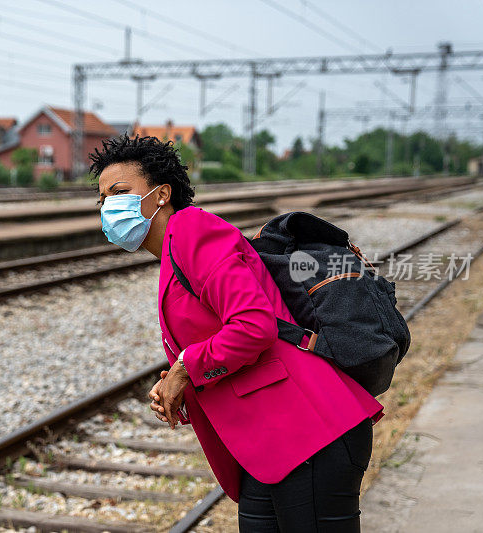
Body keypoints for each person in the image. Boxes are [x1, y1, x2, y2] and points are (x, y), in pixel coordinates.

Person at [89, 133, 385, 532]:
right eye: (102, 198)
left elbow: (253, 325)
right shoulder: (172, 252)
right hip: (271, 444)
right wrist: (181, 388)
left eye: (119, 191)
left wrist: (184, 368)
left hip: (309, 430)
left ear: (161, 194)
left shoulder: (191, 229)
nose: (108, 205)